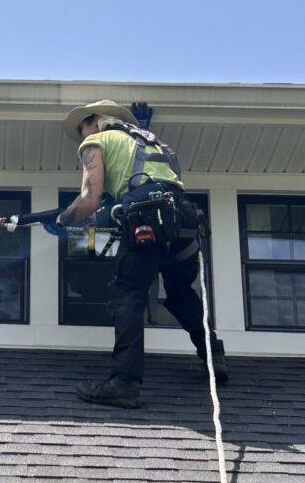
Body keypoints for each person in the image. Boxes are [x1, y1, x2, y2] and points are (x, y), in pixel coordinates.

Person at [50, 100, 229, 409]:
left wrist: (62, 220)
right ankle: (214, 358)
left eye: (82, 129)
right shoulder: (151, 142)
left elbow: (90, 199)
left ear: (94, 121)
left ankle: (124, 383)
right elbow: (123, 196)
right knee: (181, 294)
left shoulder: (96, 141)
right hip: (183, 221)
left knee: (127, 294)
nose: (82, 137)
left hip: (148, 218)